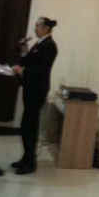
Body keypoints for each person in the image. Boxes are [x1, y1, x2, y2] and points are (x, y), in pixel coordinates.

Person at [11, 17, 58, 174]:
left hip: (37, 90)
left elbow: (41, 70)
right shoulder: (39, 44)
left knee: (30, 126)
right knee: (26, 125)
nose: (35, 29)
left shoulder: (50, 46)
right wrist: (24, 48)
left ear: (46, 28)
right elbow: (28, 61)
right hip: (30, 88)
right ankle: (26, 158)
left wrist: (22, 71)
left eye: (37, 26)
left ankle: (30, 163)